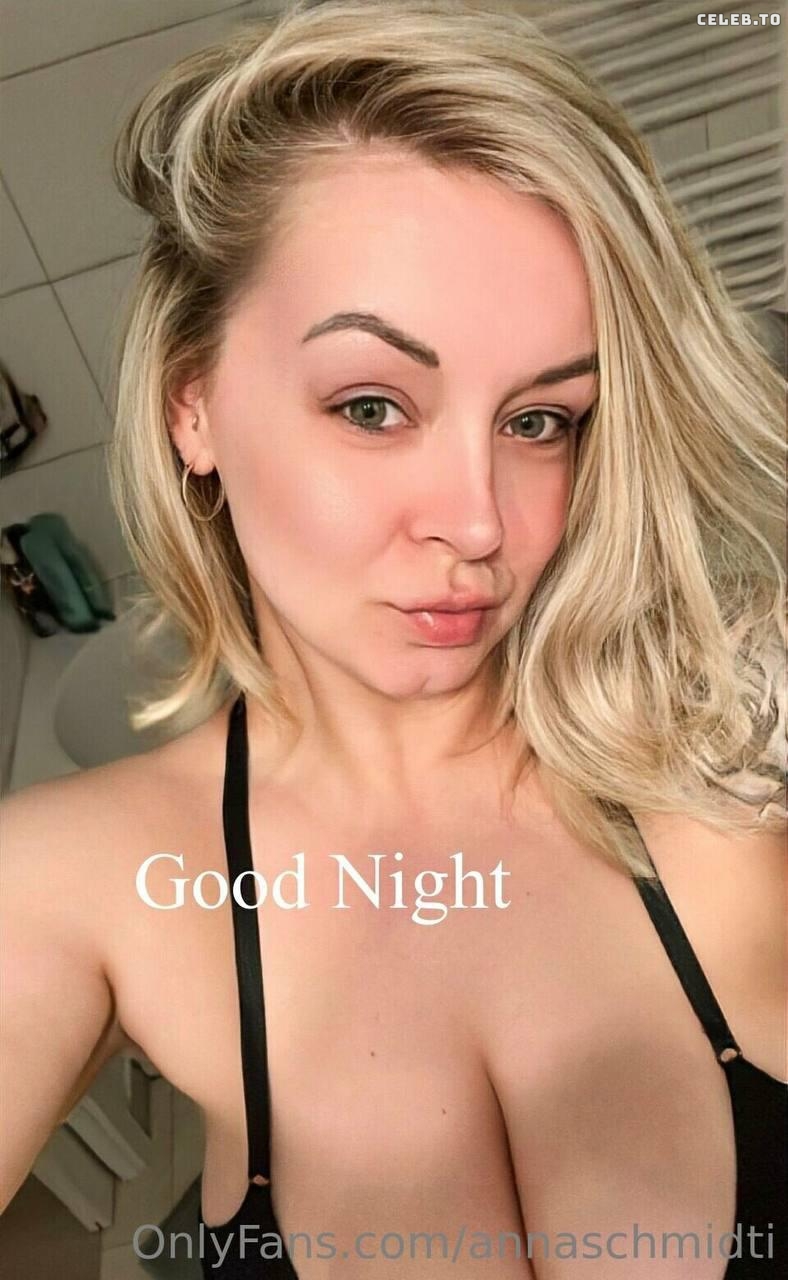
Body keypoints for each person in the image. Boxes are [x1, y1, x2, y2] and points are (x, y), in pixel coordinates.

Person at [1, 1, 785, 1276]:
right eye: (372, 405)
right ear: (192, 404)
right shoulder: (72, 884)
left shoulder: (717, 782)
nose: (478, 522)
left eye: (540, 420)